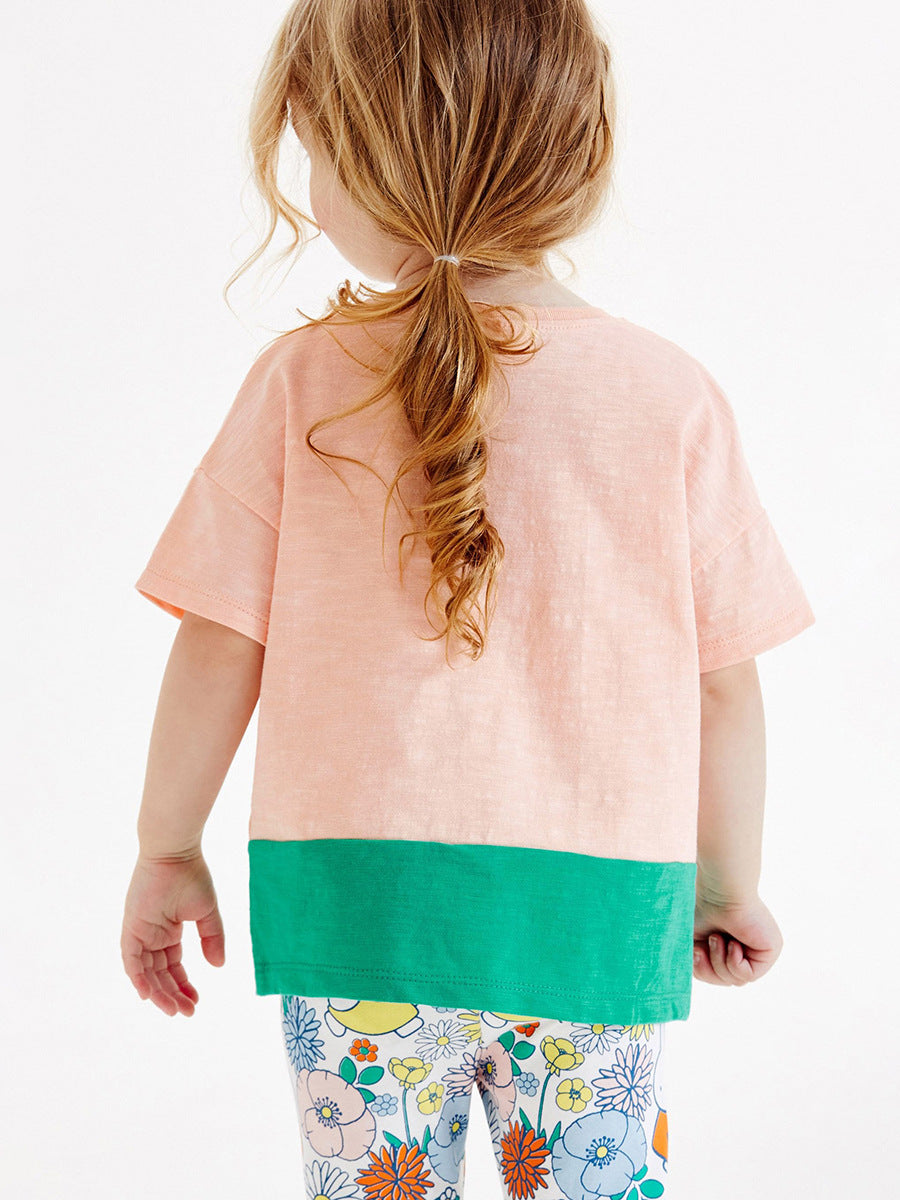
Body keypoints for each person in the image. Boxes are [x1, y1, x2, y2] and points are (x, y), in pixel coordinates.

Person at [120, 1, 816, 1195]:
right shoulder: (669, 397)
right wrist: (726, 885)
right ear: (578, 152)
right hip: (597, 923)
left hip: (357, 917)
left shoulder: (301, 382)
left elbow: (219, 644)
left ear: (366, 168)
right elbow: (723, 686)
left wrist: (166, 847)